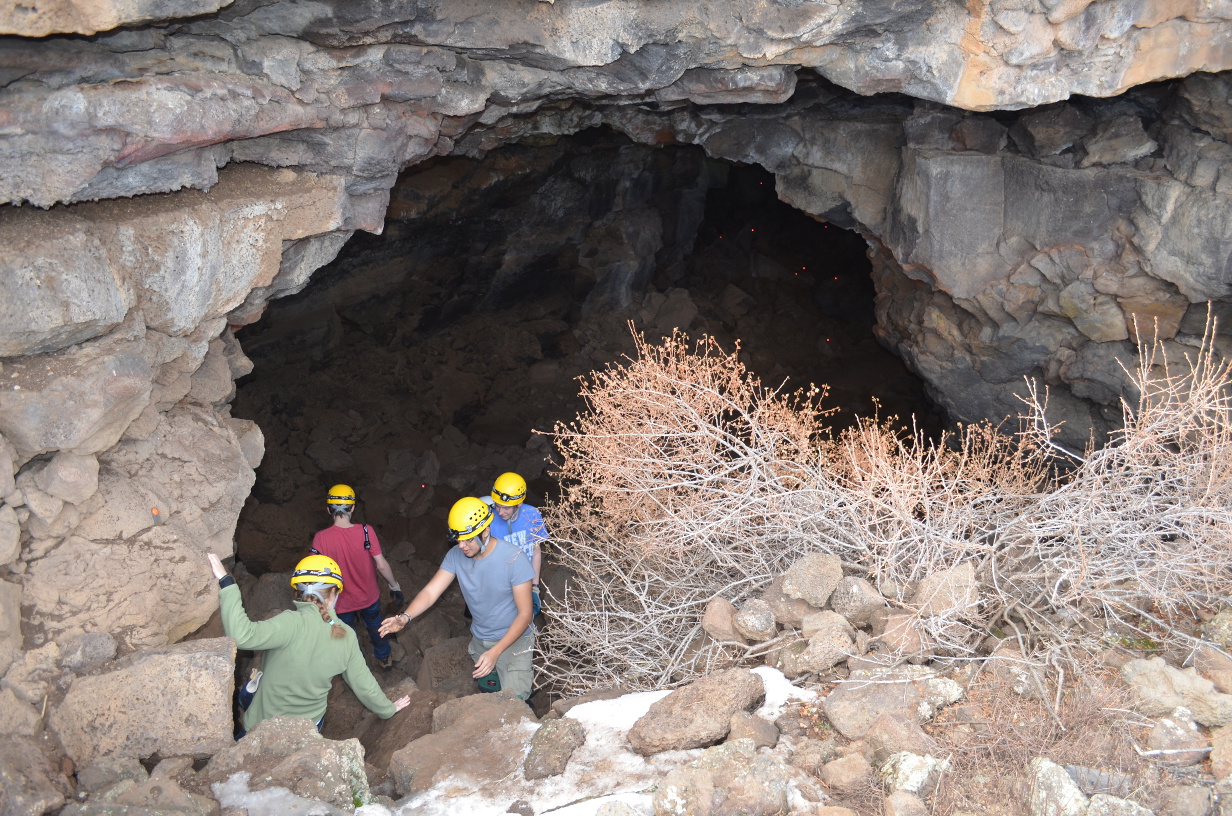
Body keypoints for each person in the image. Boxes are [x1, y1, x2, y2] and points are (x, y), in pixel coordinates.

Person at [207, 552, 410, 738]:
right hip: (307, 727)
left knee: (248, 696)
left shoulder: (289, 622)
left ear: (298, 592)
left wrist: (227, 583)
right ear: (335, 593)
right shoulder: (346, 635)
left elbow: (241, 636)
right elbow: (364, 685)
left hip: (262, 725)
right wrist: (387, 709)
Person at [378, 497, 535, 699]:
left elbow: (525, 614)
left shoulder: (514, 558)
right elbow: (430, 592)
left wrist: (496, 652)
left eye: (468, 539)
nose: (462, 546)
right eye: (458, 539)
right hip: (481, 639)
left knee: (516, 702)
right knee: (489, 692)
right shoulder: (456, 556)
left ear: (485, 531)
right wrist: (404, 618)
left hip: (514, 641)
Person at [309, 484, 404, 670]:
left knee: (346, 633)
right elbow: (382, 565)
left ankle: (356, 666)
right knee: (376, 625)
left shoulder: (320, 538)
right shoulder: (366, 531)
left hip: (340, 602)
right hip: (369, 596)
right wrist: (395, 586)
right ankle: (384, 658)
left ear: (328, 510)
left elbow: (314, 573)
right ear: (353, 508)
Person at [481, 472, 548, 616]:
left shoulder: (532, 514)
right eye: (498, 506)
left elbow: (535, 552)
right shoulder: (489, 520)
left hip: (525, 582)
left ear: (519, 503)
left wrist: (535, 587)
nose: (500, 512)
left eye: (506, 508)